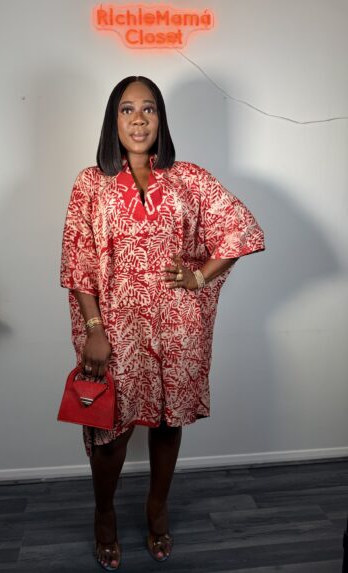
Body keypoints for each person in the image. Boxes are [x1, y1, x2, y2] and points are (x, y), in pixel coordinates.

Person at [60, 75, 265, 570]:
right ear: (113, 119)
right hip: (115, 325)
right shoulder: (91, 183)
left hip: (177, 324)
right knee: (111, 429)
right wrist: (94, 330)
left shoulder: (188, 178)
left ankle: (157, 508)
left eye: (148, 109)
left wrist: (199, 276)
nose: (139, 119)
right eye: (127, 109)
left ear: (161, 118)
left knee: (170, 420)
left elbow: (240, 228)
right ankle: (104, 514)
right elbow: (78, 262)